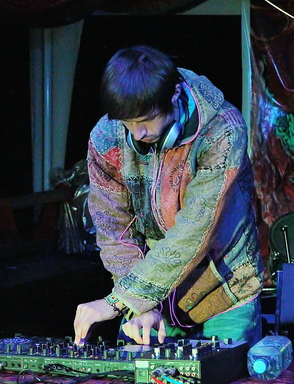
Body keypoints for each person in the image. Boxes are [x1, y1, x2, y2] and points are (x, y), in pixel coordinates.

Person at [73, 45, 264, 347]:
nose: (137, 134)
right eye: (127, 123)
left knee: (227, 376)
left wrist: (122, 300)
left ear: (175, 94)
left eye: (146, 121)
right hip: (149, 291)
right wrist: (139, 304)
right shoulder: (107, 137)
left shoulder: (222, 131)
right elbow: (113, 228)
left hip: (224, 289)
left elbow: (196, 229)